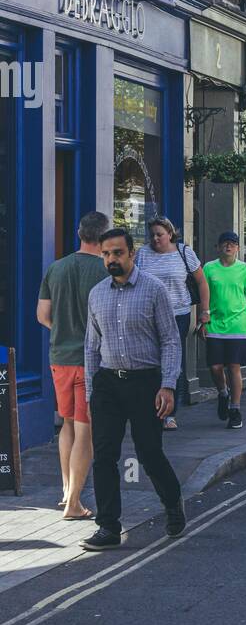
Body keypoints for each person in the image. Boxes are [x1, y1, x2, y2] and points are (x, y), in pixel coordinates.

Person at [81, 227, 185, 550]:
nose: (112, 259)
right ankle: (109, 527)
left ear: (132, 254)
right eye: (106, 254)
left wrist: (168, 385)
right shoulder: (97, 294)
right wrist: (90, 393)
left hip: (145, 383)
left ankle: (172, 502)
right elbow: (90, 347)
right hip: (108, 383)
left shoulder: (153, 290)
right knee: (104, 456)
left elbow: (170, 339)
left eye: (118, 253)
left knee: (149, 453)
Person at [36, 210, 110, 520]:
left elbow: (42, 315)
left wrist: (63, 332)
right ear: (103, 237)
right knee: (86, 430)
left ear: (79, 233)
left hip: (59, 359)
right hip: (91, 361)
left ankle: (67, 490)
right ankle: (74, 503)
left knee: (66, 423)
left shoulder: (56, 268)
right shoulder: (106, 270)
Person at [134, 216, 209, 429]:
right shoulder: (142, 254)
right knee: (150, 360)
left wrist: (205, 311)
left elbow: (202, 282)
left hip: (178, 314)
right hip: (149, 315)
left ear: (170, 233)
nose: (156, 239)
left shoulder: (184, 252)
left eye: (160, 234)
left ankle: (169, 414)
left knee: (173, 360)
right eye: (152, 235)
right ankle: (152, 408)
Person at [202, 231, 246, 429]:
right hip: (214, 324)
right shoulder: (209, 268)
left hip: (238, 325)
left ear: (238, 248)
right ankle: (222, 392)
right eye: (225, 243)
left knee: (234, 367)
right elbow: (202, 295)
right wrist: (201, 320)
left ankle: (235, 409)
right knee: (215, 367)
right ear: (218, 247)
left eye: (232, 244)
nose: (228, 247)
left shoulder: (245, 269)